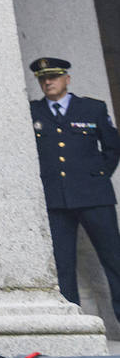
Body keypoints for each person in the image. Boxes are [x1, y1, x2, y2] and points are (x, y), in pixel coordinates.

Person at [28, 57, 120, 322]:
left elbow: (112, 147)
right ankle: (72, 323)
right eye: (43, 79)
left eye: (53, 77)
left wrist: (97, 176)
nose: (48, 82)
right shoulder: (33, 112)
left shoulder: (92, 108)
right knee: (63, 265)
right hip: (56, 199)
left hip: (94, 197)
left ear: (66, 79)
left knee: (113, 259)